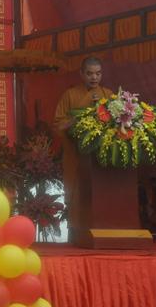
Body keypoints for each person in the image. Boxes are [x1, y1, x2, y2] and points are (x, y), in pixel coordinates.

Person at [54, 57, 113, 236]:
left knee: (103, 192)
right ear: (81, 74)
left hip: (102, 157)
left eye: (98, 73)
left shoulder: (108, 95)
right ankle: (76, 232)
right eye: (89, 73)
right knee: (77, 193)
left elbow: (117, 122)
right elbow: (57, 125)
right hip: (76, 155)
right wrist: (75, 120)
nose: (94, 77)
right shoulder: (70, 95)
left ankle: (105, 230)